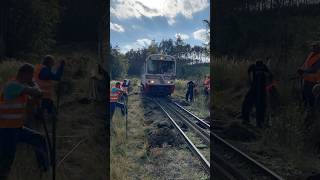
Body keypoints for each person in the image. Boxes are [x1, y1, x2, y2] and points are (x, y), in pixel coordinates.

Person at [0, 64, 50, 179]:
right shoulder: (13, 85)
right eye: (31, 76)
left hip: (17, 128)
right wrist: (35, 85)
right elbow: (37, 92)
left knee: (39, 139)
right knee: (7, 159)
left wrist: (36, 99)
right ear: (24, 74)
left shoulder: (21, 88)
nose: (31, 78)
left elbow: (30, 107)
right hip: (6, 129)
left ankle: (44, 168)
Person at [241, 60, 272, 128]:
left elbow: (269, 76)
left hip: (258, 89)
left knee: (253, 105)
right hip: (258, 89)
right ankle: (257, 122)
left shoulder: (256, 67)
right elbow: (270, 75)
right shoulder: (262, 67)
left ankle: (255, 122)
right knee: (259, 106)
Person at [297, 42, 320, 108]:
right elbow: (305, 64)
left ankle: (312, 113)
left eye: (315, 47)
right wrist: (300, 69)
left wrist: (304, 71)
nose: (313, 48)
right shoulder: (311, 55)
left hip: (314, 81)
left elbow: (315, 69)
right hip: (305, 79)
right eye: (313, 47)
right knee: (304, 97)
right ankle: (306, 112)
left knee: (311, 98)